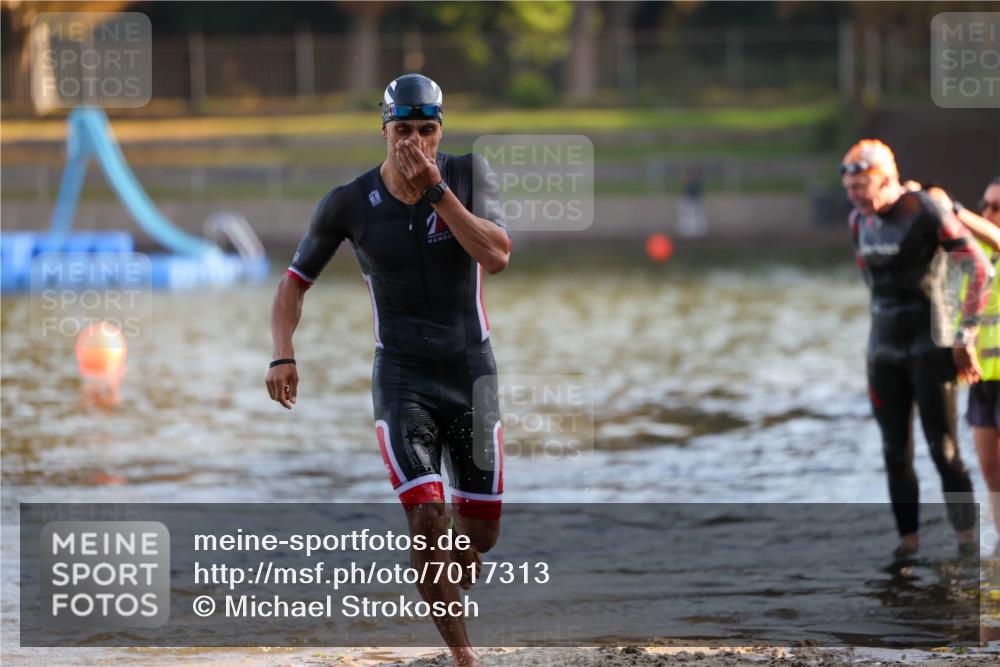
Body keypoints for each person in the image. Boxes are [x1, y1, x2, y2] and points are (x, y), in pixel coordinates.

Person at [266, 73, 511, 667]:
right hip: (402, 379)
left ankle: (453, 559)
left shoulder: (469, 177)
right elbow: (293, 285)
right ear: (383, 131)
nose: (416, 143)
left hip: (471, 372)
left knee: (478, 537)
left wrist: (436, 193)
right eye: (403, 130)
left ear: (440, 131)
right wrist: (282, 352)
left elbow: (497, 256)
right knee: (426, 519)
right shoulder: (348, 203)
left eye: (427, 131)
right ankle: (465, 661)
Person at [842, 139, 993, 559]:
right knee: (894, 452)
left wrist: (964, 336)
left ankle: (967, 544)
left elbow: (979, 269)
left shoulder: (924, 210)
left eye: (862, 186)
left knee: (944, 451)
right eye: (850, 188)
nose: (855, 196)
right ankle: (907, 547)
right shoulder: (859, 220)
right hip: (883, 349)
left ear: (885, 178)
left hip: (931, 344)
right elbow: (873, 282)